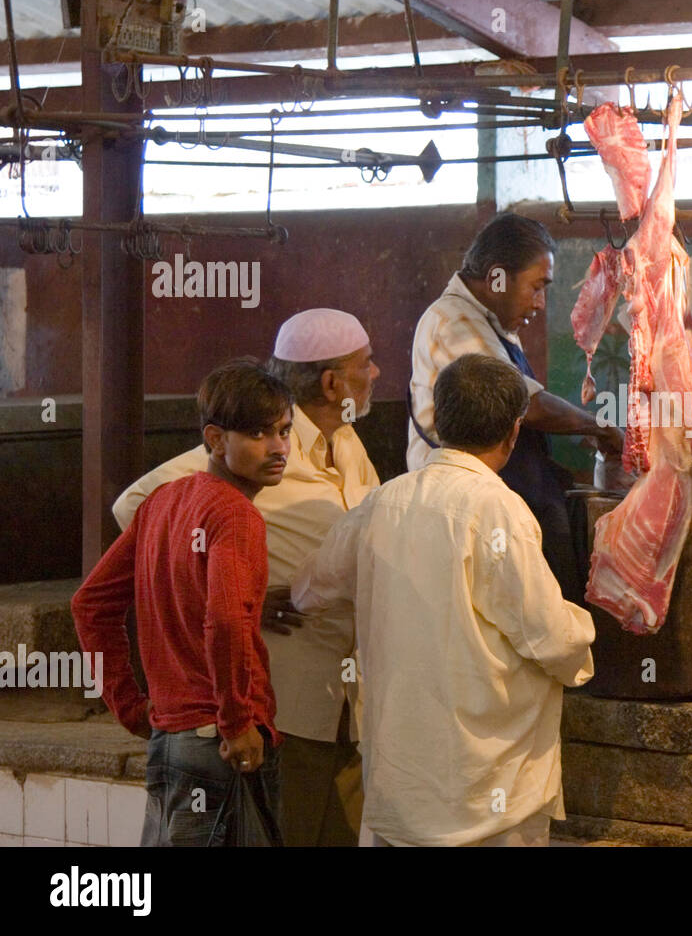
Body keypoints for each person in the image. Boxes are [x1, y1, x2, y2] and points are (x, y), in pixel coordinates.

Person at [297, 353, 595, 846]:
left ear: (436, 421)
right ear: (513, 434)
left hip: (402, 793)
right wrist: (584, 636)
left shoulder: (383, 502)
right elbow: (550, 637)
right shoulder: (498, 509)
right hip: (486, 799)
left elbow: (310, 589)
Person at [112, 308, 381, 847]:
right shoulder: (262, 447)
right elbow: (136, 504)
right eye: (365, 364)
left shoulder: (347, 443)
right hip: (286, 702)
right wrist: (241, 592)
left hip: (349, 701)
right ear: (331, 382)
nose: (374, 374)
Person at [73, 360, 292, 846]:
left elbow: (90, 604)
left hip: (172, 741)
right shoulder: (235, 514)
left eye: (283, 430)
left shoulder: (163, 502)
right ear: (215, 439)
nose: (279, 447)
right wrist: (237, 721)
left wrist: (131, 706)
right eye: (258, 433)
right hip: (220, 743)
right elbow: (227, 620)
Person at [407, 212, 623, 603]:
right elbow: (527, 404)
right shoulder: (453, 322)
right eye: (536, 287)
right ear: (496, 278)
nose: (540, 303)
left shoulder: (494, 325)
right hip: (471, 508)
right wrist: (600, 427)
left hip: (512, 496)